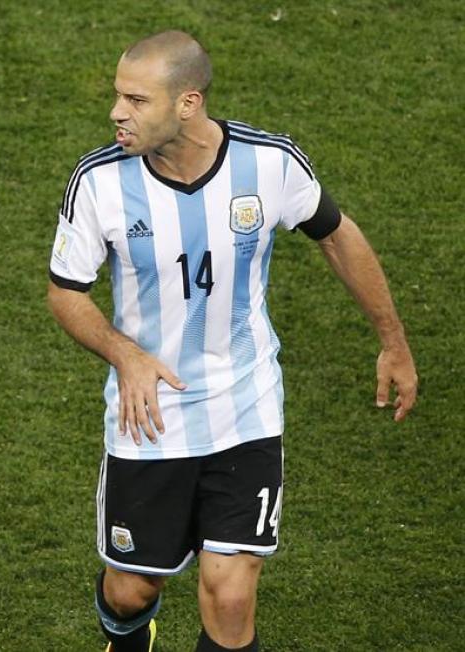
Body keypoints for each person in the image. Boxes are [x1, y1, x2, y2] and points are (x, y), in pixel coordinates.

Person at [47, 31, 417, 652]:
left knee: (231, 592)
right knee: (131, 589)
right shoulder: (99, 182)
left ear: (187, 103)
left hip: (246, 406)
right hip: (151, 417)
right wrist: (126, 355)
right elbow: (65, 292)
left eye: (136, 100)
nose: (116, 112)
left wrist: (393, 341)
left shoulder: (267, 164)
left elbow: (336, 235)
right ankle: (128, 637)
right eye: (118, 96)